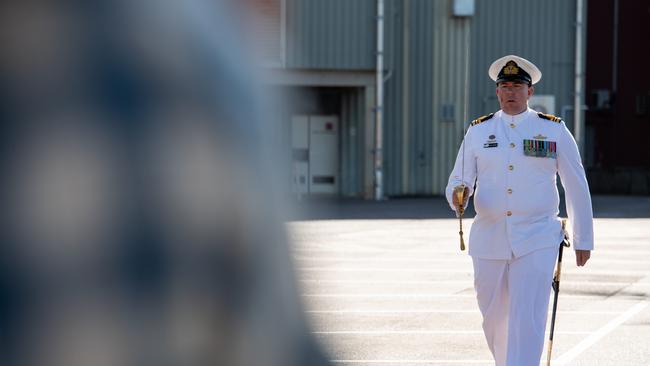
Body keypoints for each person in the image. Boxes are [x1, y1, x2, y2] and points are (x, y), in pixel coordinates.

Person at [445, 55, 594, 366]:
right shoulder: (478, 131)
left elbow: (575, 183)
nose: (510, 92)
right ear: (497, 92)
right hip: (489, 237)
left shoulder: (553, 131)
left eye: (517, 86)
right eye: (504, 86)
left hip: (538, 236)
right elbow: (459, 179)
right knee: (493, 317)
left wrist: (583, 239)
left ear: (530, 92)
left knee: (527, 314)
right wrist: (458, 194)